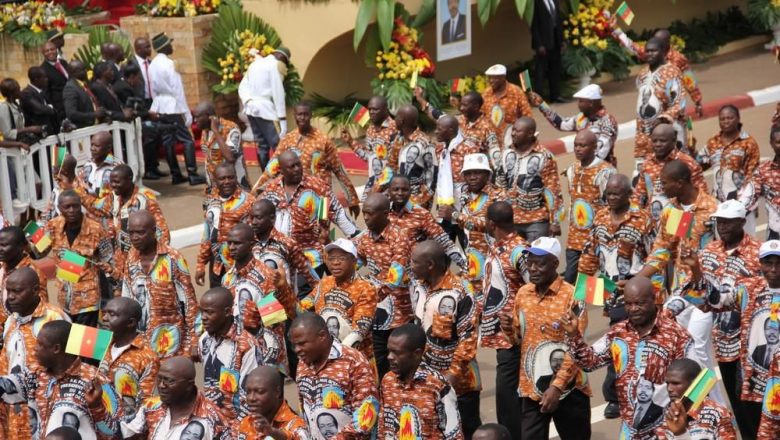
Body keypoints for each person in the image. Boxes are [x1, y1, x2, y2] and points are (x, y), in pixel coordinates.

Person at [561, 276, 696, 440]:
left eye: (639, 303)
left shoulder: (677, 336)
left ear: (654, 299)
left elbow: (698, 385)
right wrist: (574, 335)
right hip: (630, 431)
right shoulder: (617, 333)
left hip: (666, 431)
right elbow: (589, 362)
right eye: (628, 304)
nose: (633, 309)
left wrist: (684, 424)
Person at [577, 174, 653, 419]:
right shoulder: (599, 218)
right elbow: (590, 254)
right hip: (610, 292)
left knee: (642, 342)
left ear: (629, 194)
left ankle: (640, 389)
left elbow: (656, 257)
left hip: (638, 291)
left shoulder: (642, 219)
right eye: (608, 193)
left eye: (616, 193)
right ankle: (615, 397)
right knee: (618, 342)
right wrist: (580, 294)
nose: (611, 198)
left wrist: (649, 287)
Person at [499, 237, 591, 439]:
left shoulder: (572, 296)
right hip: (532, 388)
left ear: (555, 264)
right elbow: (518, 341)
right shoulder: (523, 294)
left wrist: (556, 387)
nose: (532, 268)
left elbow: (576, 348)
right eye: (529, 263)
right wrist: (508, 330)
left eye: (539, 264)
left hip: (570, 390)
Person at [682, 200, 760, 423]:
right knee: (739, 405)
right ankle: (725, 414)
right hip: (723, 339)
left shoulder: (757, 253)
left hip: (751, 341)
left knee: (756, 402)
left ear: (742, 222)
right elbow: (696, 295)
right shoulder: (709, 251)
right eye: (719, 222)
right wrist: (694, 271)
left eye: (728, 223)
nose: (722, 227)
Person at [702, 240, 780, 438]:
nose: (773, 269)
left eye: (778, 263)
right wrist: (695, 269)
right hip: (753, 382)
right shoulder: (747, 289)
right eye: (768, 263)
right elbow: (717, 301)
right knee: (753, 432)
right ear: (760, 264)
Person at [410, 240, 481, 437]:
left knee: (466, 430)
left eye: (415, 262)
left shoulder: (460, 292)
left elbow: (468, 339)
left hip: (460, 384)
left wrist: (452, 376)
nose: (411, 266)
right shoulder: (418, 286)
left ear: (430, 265)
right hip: (427, 378)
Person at [0, 321, 115, 438]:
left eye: (40, 344)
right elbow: (6, 385)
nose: (34, 348)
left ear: (56, 348)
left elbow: (115, 433)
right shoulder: (35, 374)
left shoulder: (96, 381)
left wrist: (97, 407)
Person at [258, 150, 359, 282]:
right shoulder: (271, 189)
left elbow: (338, 213)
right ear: (281, 171)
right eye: (291, 167)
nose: (297, 169)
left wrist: (357, 241)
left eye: (298, 164)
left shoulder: (318, 187)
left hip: (310, 256)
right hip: (279, 256)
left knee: (306, 298)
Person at [116, 210, 199, 358]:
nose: (134, 238)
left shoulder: (173, 258)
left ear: (153, 231)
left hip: (172, 344)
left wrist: (194, 340)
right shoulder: (130, 259)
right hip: (142, 346)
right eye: (131, 233)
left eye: (140, 233)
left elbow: (189, 302)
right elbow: (127, 298)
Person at [253, 102, 359, 216]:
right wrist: (254, 192)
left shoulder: (324, 140)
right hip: (295, 197)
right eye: (299, 115)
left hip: (321, 196)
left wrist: (352, 200)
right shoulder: (288, 140)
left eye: (305, 114)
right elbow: (271, 168)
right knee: (298, 230)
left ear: (311, 115)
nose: (302, 118)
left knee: (322, 228)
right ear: (294, 116)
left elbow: (339, 170)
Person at [0, 268, 69, 439]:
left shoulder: (55, 317)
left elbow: (72, 364)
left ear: (36, 290)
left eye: (17, 291)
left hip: (43, 406)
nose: (10, 297)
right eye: (8, 291)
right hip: (14, 408)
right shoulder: (11, 321)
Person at [352, 193, 416, 378]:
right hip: (377, 312)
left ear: (385, 213)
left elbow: (394, 278)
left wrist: (368, 295)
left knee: (400, 360)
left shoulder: (399, 238)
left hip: (399, 312)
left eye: (370, 213)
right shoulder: (364, 238)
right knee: (379, 359)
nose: (365, 217)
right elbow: (356, 261)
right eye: (364, 213)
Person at [290, 313, 379, 439]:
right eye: (294, 345)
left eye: (302, 343)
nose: (297, 350)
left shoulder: (353, 360)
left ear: (322, 336)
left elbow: (367, 414)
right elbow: (304, 408)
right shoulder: (302, 363)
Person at [481, 201, 528, 438]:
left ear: (492, 223)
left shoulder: (518, 251)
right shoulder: (499, 246)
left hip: (514, 336)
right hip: (502, 336)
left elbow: (535, 287)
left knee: (507, 395)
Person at [221, 223, 294, 373]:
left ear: (251, 245)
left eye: (237, 243)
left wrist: (269, 363)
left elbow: (275, 325)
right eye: (229, 243)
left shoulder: (266, 277)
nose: (232, 247)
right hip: (237, 354)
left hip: (264, 357)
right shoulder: (227, 278)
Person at [41, 190, 114, 326]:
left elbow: (109, 261)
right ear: (60, 208)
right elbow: (39, 252)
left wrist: (115, 293)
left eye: (75, 206)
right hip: (65, 298)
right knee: (68, 342)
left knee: (84, 345)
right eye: (67, 207)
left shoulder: (96, 229)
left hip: (88, 300)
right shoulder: (53, 226)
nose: (72, 210)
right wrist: (29, 240)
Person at [377, 323, 463, 439]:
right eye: (389, 351)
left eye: (396, 352)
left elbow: (454, 433)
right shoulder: (388, 381)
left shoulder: (438, 385)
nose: (390, 357)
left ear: (417, 353)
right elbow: (383, 426)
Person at [114, 357, 232, 439]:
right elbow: (122, 432)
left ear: (189, 385)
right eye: (160, 379)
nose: (161, 386)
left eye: (169, 381)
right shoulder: (151, 407)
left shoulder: (212, 419)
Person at [302, 238, 377, 363]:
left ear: (354, 260)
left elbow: (358, 332)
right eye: (331, 259)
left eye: (341, 259)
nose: (335, 263)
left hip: (356, 362)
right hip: (324, 359)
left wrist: (332, 357)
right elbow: (301, 311)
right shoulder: (324, 283)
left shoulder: (366, 288)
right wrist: (283, 290)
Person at [148, 32, 206, 186]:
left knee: (168, 140)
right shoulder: (170, 64)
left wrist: (156, 106)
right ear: (164, 47)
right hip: (173, 106)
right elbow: (177, 90)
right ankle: (192, 173)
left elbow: (153, 89)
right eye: (170, 44)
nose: (172, 46)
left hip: (161, 105)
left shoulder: (153, 64)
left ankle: (176, 174)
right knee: (187, 139)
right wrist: (186, 112)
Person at [440, 154, 505, 290]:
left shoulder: (498, 195)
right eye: (468, 173)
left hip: (494, 257)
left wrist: (455, 215)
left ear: (487, 174)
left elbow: (489, 226)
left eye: (477, 173)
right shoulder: (465, 195)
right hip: (471, 259)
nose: (472, 177)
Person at [609, 26, 703, 118]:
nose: (654, 43)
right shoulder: (651, 53)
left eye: (658, 41)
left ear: (667, 44)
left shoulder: (678, 59)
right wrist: (617, 31)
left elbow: (690, 81)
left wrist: (698, 102)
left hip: (671, 103)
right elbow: (633, 47)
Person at [74, 164, 169, 254]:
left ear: (129, 179)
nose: (113, 185)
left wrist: (157, 256)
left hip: (140, 257)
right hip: (121, 258)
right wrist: (77, 190)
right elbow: (95, 206)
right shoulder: (114, 198)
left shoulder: (145, 198)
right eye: (112, 182)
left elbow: (161, 229)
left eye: (117, 182)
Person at [562, 130, 616, 283]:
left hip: (597, 235)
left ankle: (604, 303)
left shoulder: (605, 172)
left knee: (605, 275)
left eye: (583, 146)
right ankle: (576, 303)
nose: (578, 149)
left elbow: (610, 205)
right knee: (570, 278)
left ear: (594, 147)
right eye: (576, 145)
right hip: (575, 236)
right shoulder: (572, 169)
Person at [497, 117, 563, 242]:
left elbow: (552, 190)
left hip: (536, 221)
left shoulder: (544, 156)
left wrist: (555, 221)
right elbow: (499, 184)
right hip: (510, 221)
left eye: (518, 131)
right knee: (514, 259)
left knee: (536, 259)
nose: (513, 133)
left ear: (530, 133)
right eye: (513, 130)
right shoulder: (506, 153)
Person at [198, 287, 260, 419]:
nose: (203, 318)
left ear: (227, 312)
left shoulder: (246, 345)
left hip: (237, 424)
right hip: (212, 421)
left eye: (209, 312)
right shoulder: (204, 340)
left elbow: (249, 396)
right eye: (201, 312)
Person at [388, 175, 467, 273]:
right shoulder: (382, 211)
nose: (400, 193)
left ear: (410, 191)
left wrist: (465, 266)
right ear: (389, 191)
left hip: (414, 275)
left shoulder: (422, 214)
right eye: (396, 189)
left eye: (404, 190)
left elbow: (445, 242)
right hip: (386, 271)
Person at [97, 297, 159, 419]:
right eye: (104, 313)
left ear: (130, 323)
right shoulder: (102, 342)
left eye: (112, 314)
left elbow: (147, 404)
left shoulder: (148, 357)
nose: (104, 318)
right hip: (99, 421)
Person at [631, 37, 686, 176]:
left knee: (671, 173)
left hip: (665, 133)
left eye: (653, 51)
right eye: (647, 51)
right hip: (643, 133)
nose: (649, 54)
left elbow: (680, 102)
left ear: (663, 52)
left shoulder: (672, 72)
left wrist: (663, 119)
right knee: (643, 174)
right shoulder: (643, 73)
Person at [197, 162, 256, 287]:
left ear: (236, 177)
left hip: (240, 264)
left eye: (230, 177)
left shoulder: (249, 201)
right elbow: (207, 234)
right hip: (217, 265)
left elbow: (256, 236)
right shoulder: (211, 201)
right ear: (215, 180)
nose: (227, 181)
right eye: (222, 178)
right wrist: (200, 265)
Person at [634, 123, 707, 224]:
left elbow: (702, 197)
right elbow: (639, 196)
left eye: (662, 141)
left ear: (674, 140)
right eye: (654, 141)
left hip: (680, 220)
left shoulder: (687, 163)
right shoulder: (647, 164)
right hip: (652, 222)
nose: (658, 144)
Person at [529, 84, 619, 164]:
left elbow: (600, 153)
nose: (578, 104)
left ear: (591, 103)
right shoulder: (581, 117)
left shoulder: (607, 122)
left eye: (581, 101)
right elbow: (561, 123)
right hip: (583, 168)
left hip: (604, 170)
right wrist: (541, 104)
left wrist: (577, 169)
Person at [250, 198, 318, 295]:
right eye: (251, 218)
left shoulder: (287, 244)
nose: (253, 222)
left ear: (272, 218)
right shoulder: (248, 243)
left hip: (283, 305)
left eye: (258, 217)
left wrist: (304, 305)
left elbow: (312, 278)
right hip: (254, 306)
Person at [698, 105, 760, 209]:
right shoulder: (713, 142)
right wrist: (692, 152)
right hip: (718, 204)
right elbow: (698, 166)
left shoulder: (748, 142)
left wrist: (746, 201)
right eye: (722, 119)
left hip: (743, 203)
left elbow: (753, 174)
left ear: (738, 119)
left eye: (730, 118)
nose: (726, 121)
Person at [657, 359, 736, 439]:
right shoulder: (667, 413)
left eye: (676, 383)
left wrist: (681, 434)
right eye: (667, 383)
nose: (669, 389)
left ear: (694, 384)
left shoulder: (718, 414)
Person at [239, 46, 289, 170]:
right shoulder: (274, 65)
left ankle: (265, 179)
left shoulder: (255, 64)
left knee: (262, 145)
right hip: (266, 110)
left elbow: (242, 86)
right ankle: (282, 177)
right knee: (278, 145)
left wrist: (248, 101)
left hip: (252, 109)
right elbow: (278, 93)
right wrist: (283, 120)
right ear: (282, 57)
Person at [340, 96, 398, 199]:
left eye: (375, 109)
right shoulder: (370, 130)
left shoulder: (394, 129)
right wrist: (350, 141)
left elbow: (394, 164)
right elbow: (369, 157)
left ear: (385, 109)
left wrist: (378, 187)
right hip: (373, 183)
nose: (371, 112)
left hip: (391, 187)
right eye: (370, 109)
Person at [234, 366, 310, 439]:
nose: (251, 398)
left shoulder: (296, 425)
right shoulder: (246, 423)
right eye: (248, 392)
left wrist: (273, 433)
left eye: (260, 392)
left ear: (277, 392)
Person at [194, 102, 249, 193]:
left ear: (209, 116)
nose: (195, 120)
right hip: (215, 187)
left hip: (234, 187)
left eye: (197, 117)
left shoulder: (231, 128)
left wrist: (215, 131)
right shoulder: (205, 130)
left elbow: (230, 158)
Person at [392, 104, 437, 208]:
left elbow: (432, 176)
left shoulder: (424, 143)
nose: (394, 120)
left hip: (417, 203)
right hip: (398, 198)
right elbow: (392, 166)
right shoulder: (398, 140)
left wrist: (416, 203)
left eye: (396, 117)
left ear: (401, 120)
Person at [0, 226, 50, 321]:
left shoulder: (32, 273)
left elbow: (39, 309)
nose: (0, 249)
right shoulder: (3, 266)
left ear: (21, 246)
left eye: (4, 245)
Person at [740, 126, 780, 240]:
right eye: (778, 142)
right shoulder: (763, 171)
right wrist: (735, 209)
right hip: (776, 233)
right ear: (771, 143)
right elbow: (748, 196)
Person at [481, 64, 533, 141]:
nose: (491, 80)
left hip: (512, 137)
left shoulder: (516, 92)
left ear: (503, 77)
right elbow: (481, 115)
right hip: (491, 138)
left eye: (495, 78)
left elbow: (527, 115)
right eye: (489, 77)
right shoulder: (486, 93)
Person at [531, 0, 565, 103]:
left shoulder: (554, 1)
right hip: (543, 43)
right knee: (540, 71)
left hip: (555, 41)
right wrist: (539, 45)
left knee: (555, 70)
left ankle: (555, 96)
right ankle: (538, 98)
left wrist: (562, 40)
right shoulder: (537, 2)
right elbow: (534, 25)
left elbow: (558, 20)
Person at [456, 92, 501, 167]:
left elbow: (495, 154)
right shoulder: (461, 120)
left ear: (476, 107)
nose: (461, 108)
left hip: (477, 171)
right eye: (461, 105)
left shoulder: (487, 127)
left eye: (465, 105)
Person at [74, 131, 120, 202]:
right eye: (92, 144)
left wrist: (88, 190)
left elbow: (110, 199)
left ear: (108, 148)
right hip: (88, 209)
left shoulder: (116, 168)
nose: (92, 148)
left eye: (97, 146)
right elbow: (79, 185)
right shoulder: (88, 164)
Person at [62, 60, 106, 129]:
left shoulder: (84, 84)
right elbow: (71, 114)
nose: (86, 71)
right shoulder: (70, 88)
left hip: (96, 126)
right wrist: (94, 115)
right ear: (73, 73)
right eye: (82, 70)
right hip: (84, 131)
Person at [0, 78, 44, 146]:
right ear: (11, 94)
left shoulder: (16, 104)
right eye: (18, 90)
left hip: (22, 144)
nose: (20, 92)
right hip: (11, 148)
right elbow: (7, 133)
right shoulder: (4, 107)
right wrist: (29, 129)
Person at [20, 66, 58, 133]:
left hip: (49, 131)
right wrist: (50, 108)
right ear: (36, 79)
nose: (47, 80)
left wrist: (50, 108)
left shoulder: (42, 91)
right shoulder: (26, 93)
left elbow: (52, 109)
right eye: (45, 77)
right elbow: (40, 110)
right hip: (36, 135)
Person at [40, 41, 69, 120]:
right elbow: (46, 93)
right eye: (47, 51)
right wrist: (56, 110)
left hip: (73, 102)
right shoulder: (42, 70)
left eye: (52, 49)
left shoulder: (64, 63)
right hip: (61, 108)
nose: (50, 52)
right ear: (43, 53)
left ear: (56, 49)